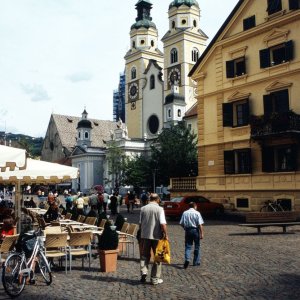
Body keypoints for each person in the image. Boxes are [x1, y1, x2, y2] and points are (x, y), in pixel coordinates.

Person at [139, 193, 168, 285]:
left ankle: (144, 271)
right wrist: (166, 234)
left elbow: (140, 223)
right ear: (158, 199)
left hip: (145, 236)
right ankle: (154, 279)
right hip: (157, 237)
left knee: (144, 255)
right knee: (158, 257)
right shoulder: (160, 209)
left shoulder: (143, 208)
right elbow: (163, 224)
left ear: (150, 199)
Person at [179, 202, 204, 269]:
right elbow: (200, 224)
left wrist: (185, 228)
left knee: (188, 246)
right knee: (197, 246)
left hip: (188, 230)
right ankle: (196, 261)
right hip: (195, 230)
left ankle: (187, 259)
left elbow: (181, 223)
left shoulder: (185, 213)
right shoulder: (197, 213)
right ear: (195, 206)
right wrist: (202, 233)